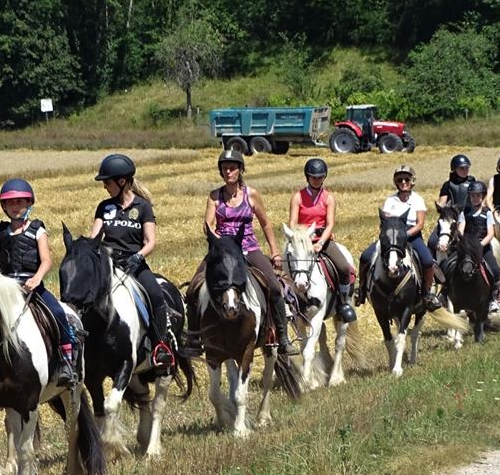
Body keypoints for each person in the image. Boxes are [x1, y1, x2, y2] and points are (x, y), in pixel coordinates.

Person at [182, 148, 298, 357]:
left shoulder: (251, 194)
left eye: (232, 168)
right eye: (225, 169)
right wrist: (220, 242)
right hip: (222, 251)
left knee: (273, 286)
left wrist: (274, 252)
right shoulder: (214, 196)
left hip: (249, 248)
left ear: (240, 170)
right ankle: (194, 339)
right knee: (192, 289)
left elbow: (266, 224)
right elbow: (207, 225)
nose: (228, 172)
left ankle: (282, 337)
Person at [90, 153, 175, 372]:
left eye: (107, 182)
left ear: (121, 181)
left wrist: (138, 257)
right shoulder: (104, 207)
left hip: (134, 264)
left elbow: (150, 241)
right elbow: (94, 238)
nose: (105, 187)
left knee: (156, 295)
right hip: (108, 265)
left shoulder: (143, 207)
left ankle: (161, 347)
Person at [0, 178, 79, 385]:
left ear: (29, 204)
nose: (16, 207)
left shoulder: (38, 230)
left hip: (33, 286)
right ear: (4, 206)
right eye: (11, 203)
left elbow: (46, 260)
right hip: (6, 289)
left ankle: (67, 363)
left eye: (20, 202)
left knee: (58, 313)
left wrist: (37, 278)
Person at [356, 165, 442, 310]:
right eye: (400, 179)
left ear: (412, 181)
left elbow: (420, 224)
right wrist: (393, 236)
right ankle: (362, 290)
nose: (403, 182)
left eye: (406, 179)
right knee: (365, 256)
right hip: (391, 237)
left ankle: (428, 294)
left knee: (427, 260)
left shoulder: (418, 200)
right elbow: (385, 222)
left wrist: (404, 235)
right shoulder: (390, 200)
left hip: (411, 235)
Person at [288, 157, 356, 322]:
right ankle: (286, 304)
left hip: (322, 239)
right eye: (313, 177)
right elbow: (292, 222)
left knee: (344, 267)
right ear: (307, 177)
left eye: (320, 177)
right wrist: (302, 237)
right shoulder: (297, 197)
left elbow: (330, 223)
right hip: (302, 240)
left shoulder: (328, 198)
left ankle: (343, 302)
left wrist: (320, 242)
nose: (317, 180)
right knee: (283, 269)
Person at [459, 181, 500, 314]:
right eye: (472, 195)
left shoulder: (487, 213)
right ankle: (445, 293)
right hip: (467, 246)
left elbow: (491, 233)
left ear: (482, 196)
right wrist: (463, 241)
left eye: (478, 195)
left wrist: (480, 245)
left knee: (495, 270)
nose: (475, 198)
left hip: (482, 246)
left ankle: (493, 299)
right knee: (452, 265)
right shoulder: (464, 212)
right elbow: (461, 229)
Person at [428, 154, 476, 254]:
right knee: (432, 241)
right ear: (454, 169)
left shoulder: (472, 182)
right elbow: (442, 202)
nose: (465, 170)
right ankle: (433, 266)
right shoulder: (447, 185)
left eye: (467, 167)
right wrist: (440, 207)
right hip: (450, 218)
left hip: (468, 216)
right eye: (461, 168)